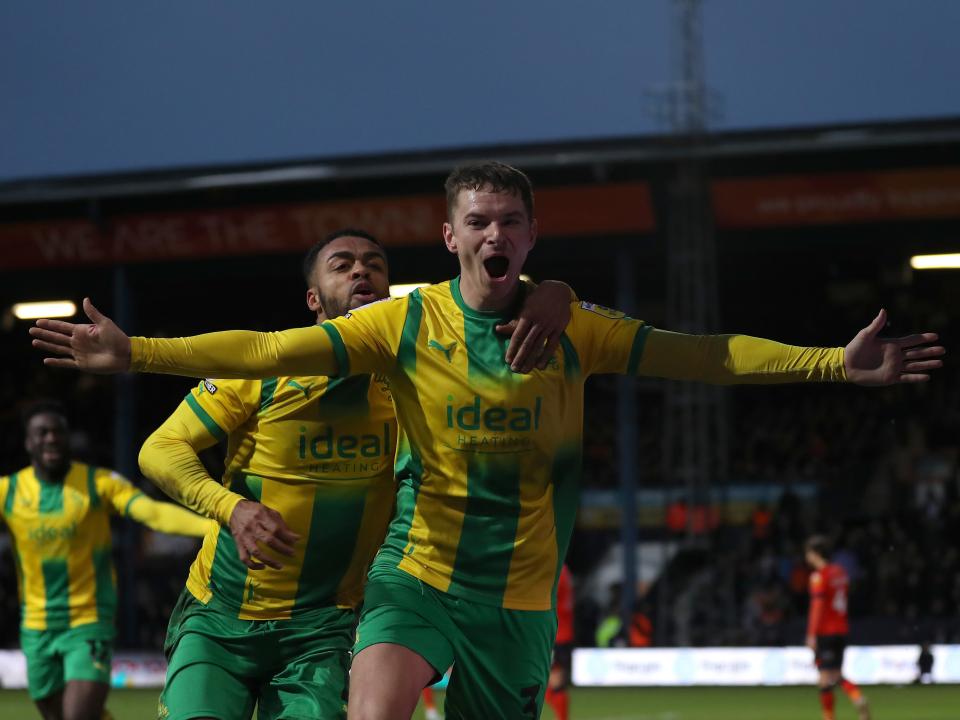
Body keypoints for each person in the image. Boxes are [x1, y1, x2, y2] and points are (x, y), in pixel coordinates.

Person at [31, 160, 945, 720]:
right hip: (412, 577)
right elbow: (267, 349)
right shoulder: (403, 327)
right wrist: (136, 352)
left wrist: (834, 364)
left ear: (532, 235)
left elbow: (703, 357)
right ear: (451, 236)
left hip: (515, 599)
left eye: (511, 222)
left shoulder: (574, 326)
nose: (494, 233)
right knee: (376, 710)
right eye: (478, 221)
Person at [136, 228, 573, 720]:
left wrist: (551, 290)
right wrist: (230, 507)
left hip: (324, 632)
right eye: (342, 265)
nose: (361, 270)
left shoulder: (411, 382)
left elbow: (479, 293)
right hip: (218, 616)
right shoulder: (262, 368)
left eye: (374, 264)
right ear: (312, 297)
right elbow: (160, 448)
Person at [0, 400, 209, 720]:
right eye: (41, 433)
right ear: (28, 443)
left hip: (89, 621)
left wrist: (213, 526)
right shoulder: (9, 491)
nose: (51, 438)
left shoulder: (99, 484)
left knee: (78, 716)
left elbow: (151, 512)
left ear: (68, 439)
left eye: (58, 431)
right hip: (37, 626)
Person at [804, 535, 870, 720]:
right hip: (841, 629)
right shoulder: (840, 572)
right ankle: (857, 697)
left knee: (825, 678)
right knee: (836, 675)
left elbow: (817, 607)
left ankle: (829, 716)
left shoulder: (819, 576)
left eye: (808, 553)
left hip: (826, 631)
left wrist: (811, 635)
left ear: (815, 553)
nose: (807, 557)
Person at [544, 564, 573, 720]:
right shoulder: (563, 570)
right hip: (561, 633)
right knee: (547, 683)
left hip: (557, 635)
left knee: (555, 683)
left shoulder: (556, 572)